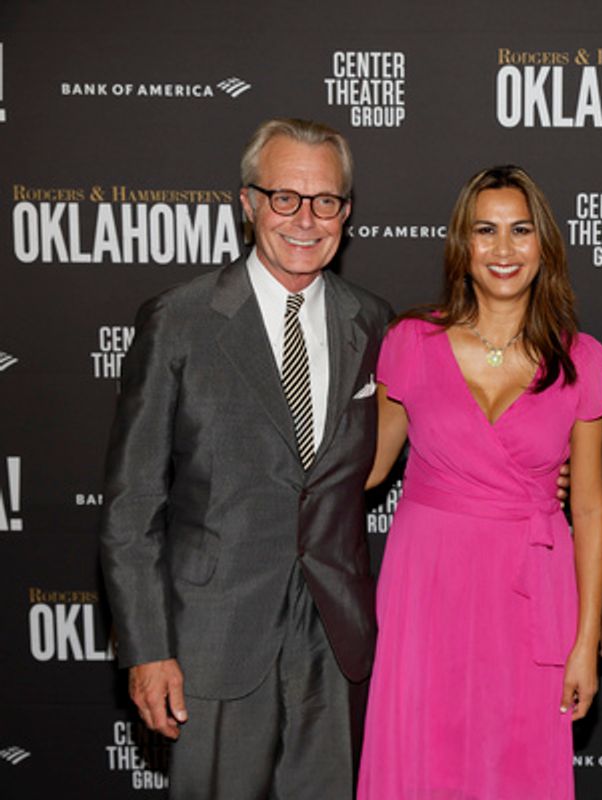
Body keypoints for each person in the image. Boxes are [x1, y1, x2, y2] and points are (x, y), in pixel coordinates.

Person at [99, 118, 393, 798]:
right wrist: (146, 650)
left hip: (334, 637)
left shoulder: (372, 321)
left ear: (346, 213)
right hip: (213, 634)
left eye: (325, 201)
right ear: (247, 202)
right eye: (284, 197)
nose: (305, 219)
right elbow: (133, 501)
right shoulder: (180, 319)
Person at [357, 165, 602, 799]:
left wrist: (583, 644)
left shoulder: (581, 359)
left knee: (517, 764)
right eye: (486, 231)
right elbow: (369, 466)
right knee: (421, 757)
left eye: (521, 231)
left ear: (544, 247)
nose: (503, 249)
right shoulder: (411, 343)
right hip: (427, 586)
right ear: (462, 247)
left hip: (529, 596)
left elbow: (591, 510)